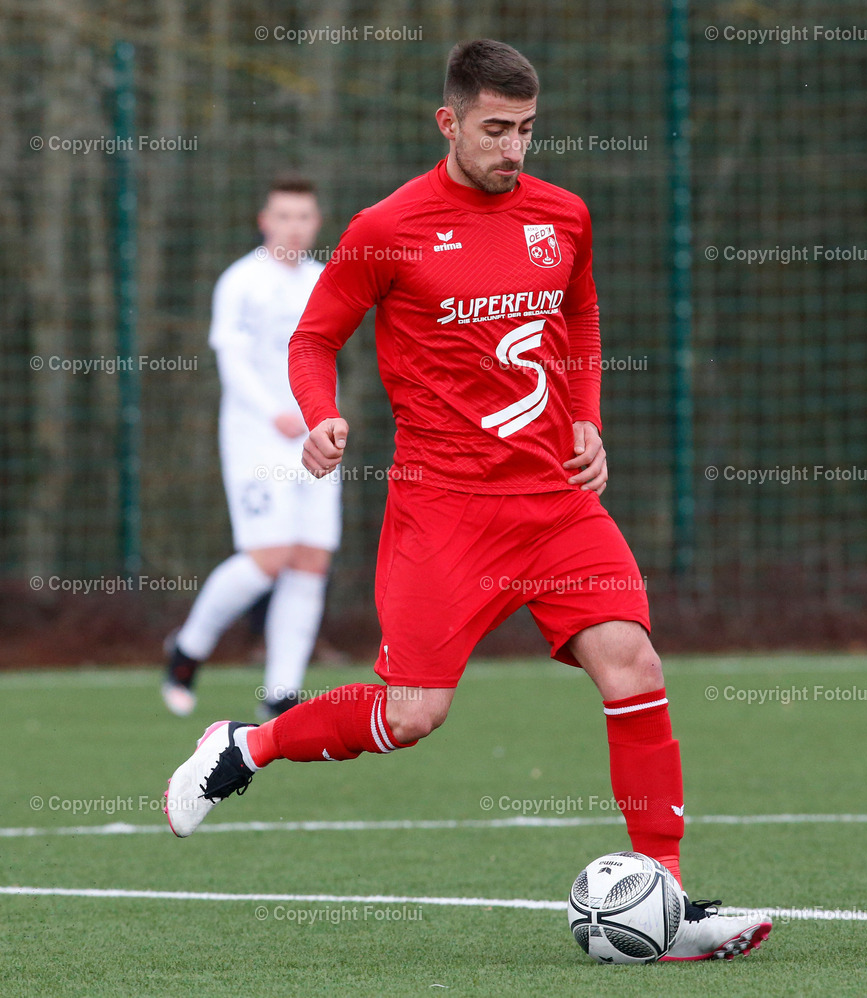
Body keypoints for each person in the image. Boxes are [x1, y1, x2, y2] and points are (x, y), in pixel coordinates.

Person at [165, 40, 771, 961]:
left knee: (633, 664)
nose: (514, 148)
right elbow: (315, 337)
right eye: (495, 129)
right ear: (448, 122)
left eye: (527, 128)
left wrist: (586, 419)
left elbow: (579, 318)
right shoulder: (387, 227)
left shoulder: (564, 215)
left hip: (554, 502)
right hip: (441, 509)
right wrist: (323, 418)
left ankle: (668, 897)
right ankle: (245, 748)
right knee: (410, 715)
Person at [161, 175, 342, 721]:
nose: (294, 225)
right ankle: (188, 648)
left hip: (314, 435)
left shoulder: (321, 281)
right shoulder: (241, 281)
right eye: (283, 215)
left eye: (304, 216)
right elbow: (232, 360)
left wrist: (319, 415)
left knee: (310, 559)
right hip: (257, 439)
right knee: (269, 558)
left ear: (316, 223)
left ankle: (281, 693)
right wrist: (274, 412)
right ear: (265, 221)